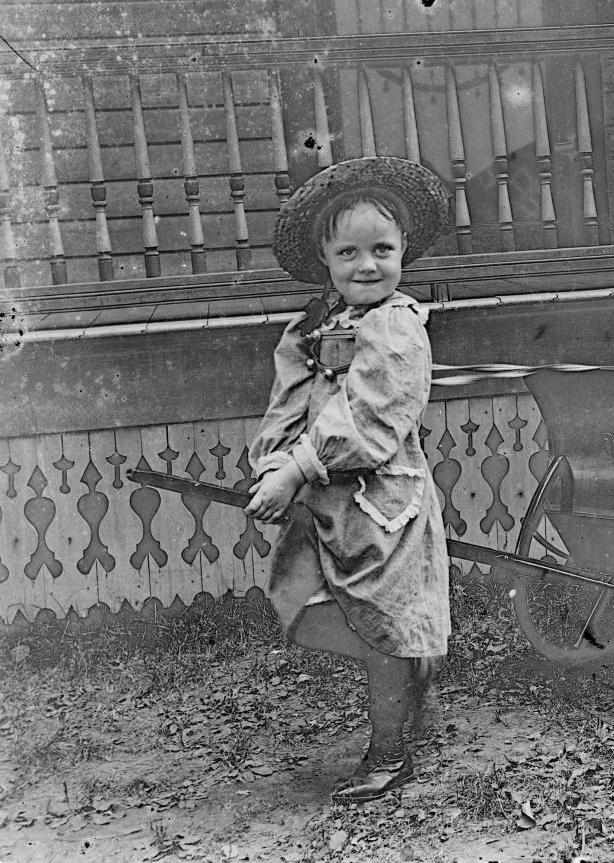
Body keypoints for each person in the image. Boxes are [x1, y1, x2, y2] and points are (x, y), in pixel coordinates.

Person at [244, 157, 451, 804]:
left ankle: (389, 752)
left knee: (379, 626)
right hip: (322, 501)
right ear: (326, 260)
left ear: (402, 253)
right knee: (303, 609)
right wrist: (274, 466)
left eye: (382, 250)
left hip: (382, 499)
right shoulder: (312, 328)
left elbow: (369, 416)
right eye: (350, 252)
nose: (368, 265)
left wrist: (301, 466)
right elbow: (289, 400)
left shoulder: (396, 326)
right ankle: (413, 673)